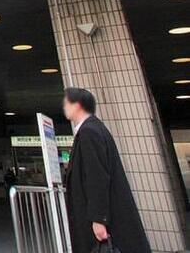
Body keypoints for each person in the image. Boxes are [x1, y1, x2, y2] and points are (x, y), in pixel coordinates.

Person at [62, 87, 151, 253]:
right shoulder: (94, 128)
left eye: (67, 103)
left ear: (78, 106)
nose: (64, 107)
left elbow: (97, 176)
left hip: (100, 220)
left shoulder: (89, 132)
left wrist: (98, 218)